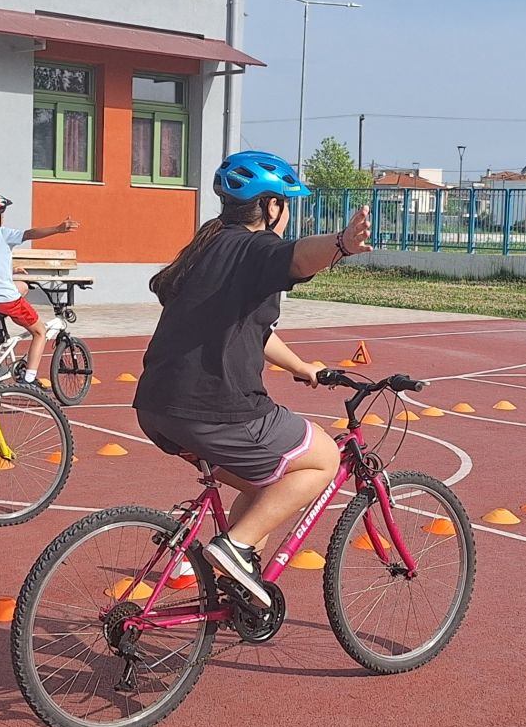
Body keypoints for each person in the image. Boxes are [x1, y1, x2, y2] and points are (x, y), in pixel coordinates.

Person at [134, 150, 372, 607]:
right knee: (321, 458)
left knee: (271, 483)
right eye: (287, 205)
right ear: (271, 207)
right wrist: (341, 243)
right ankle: (234, 547)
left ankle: (230, 588)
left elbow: (248, 330)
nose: (287, 216)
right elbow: (298, 258)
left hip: (157, 407)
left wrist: (304, 368)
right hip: (215, 406)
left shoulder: (206, 249)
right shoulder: (252, 247)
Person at [0, 194, 79, 386]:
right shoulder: (1, 234)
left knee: (23, 287)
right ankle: (29, 379)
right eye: (1, 214)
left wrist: (11, 270)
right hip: (4, 298)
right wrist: (58, 229)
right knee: (40, 332)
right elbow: (30, 234)